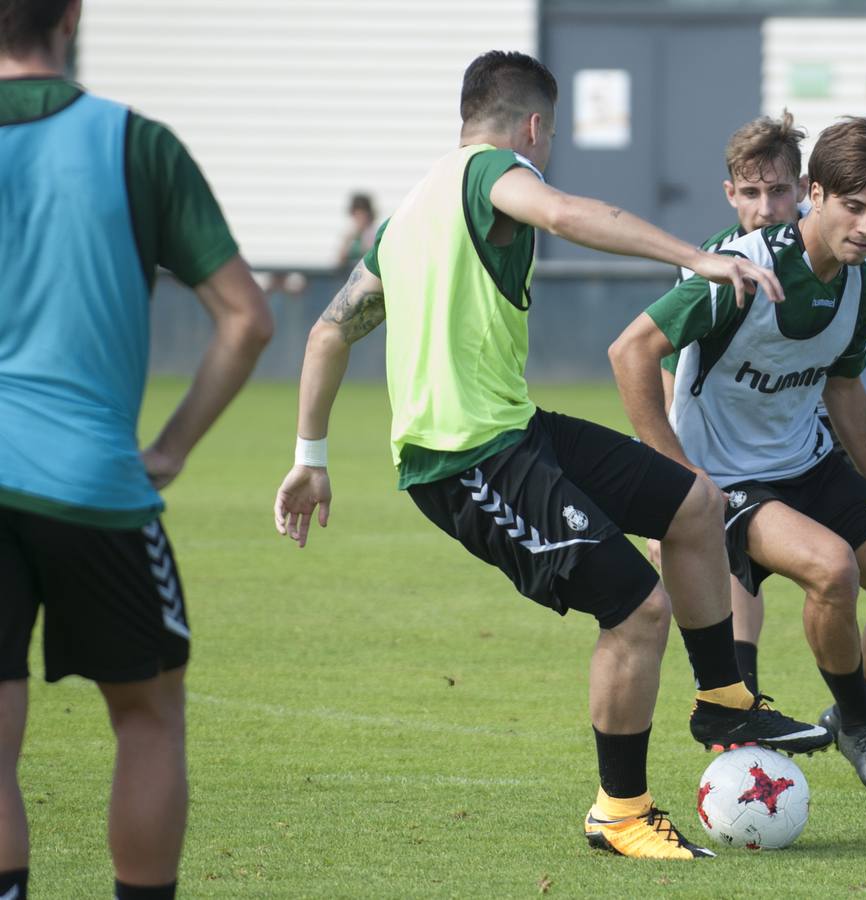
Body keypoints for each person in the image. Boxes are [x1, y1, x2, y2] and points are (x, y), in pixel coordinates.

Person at [271, 50, 829, 861]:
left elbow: (328, 329)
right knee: (637, 609)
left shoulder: (407, 216)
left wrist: (309, 453)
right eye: (553, 135)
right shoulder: (493, 170)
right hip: (463, 461)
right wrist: (699, 256)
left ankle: (724, 700)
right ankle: (621, 812)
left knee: (692, 503)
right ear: (533, 127)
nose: (549, 149)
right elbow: (568, 214)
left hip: (515, 430)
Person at [0, 2, 275, 897]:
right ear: (71, 15)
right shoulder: (136, 144)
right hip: (91, 482)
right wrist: (172, 446)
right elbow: (246, 321)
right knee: (149, 717)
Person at [611, 117, 866, 797]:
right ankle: (860, 721)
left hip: (809, 462)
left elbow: (845, 384)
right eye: (853, 207)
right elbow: (630, 353)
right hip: (730, 482)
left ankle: (856, 719)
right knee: (832, 568)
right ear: (814, 194)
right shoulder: (741, 268)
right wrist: (678, 478)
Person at [336, 192, 378, 270]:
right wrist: (349, 239)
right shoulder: (349, 232)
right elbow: (340, 259)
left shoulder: (373, 232)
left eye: (362, 214)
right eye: (357, 214)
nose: (360, 219)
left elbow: (371, 257)